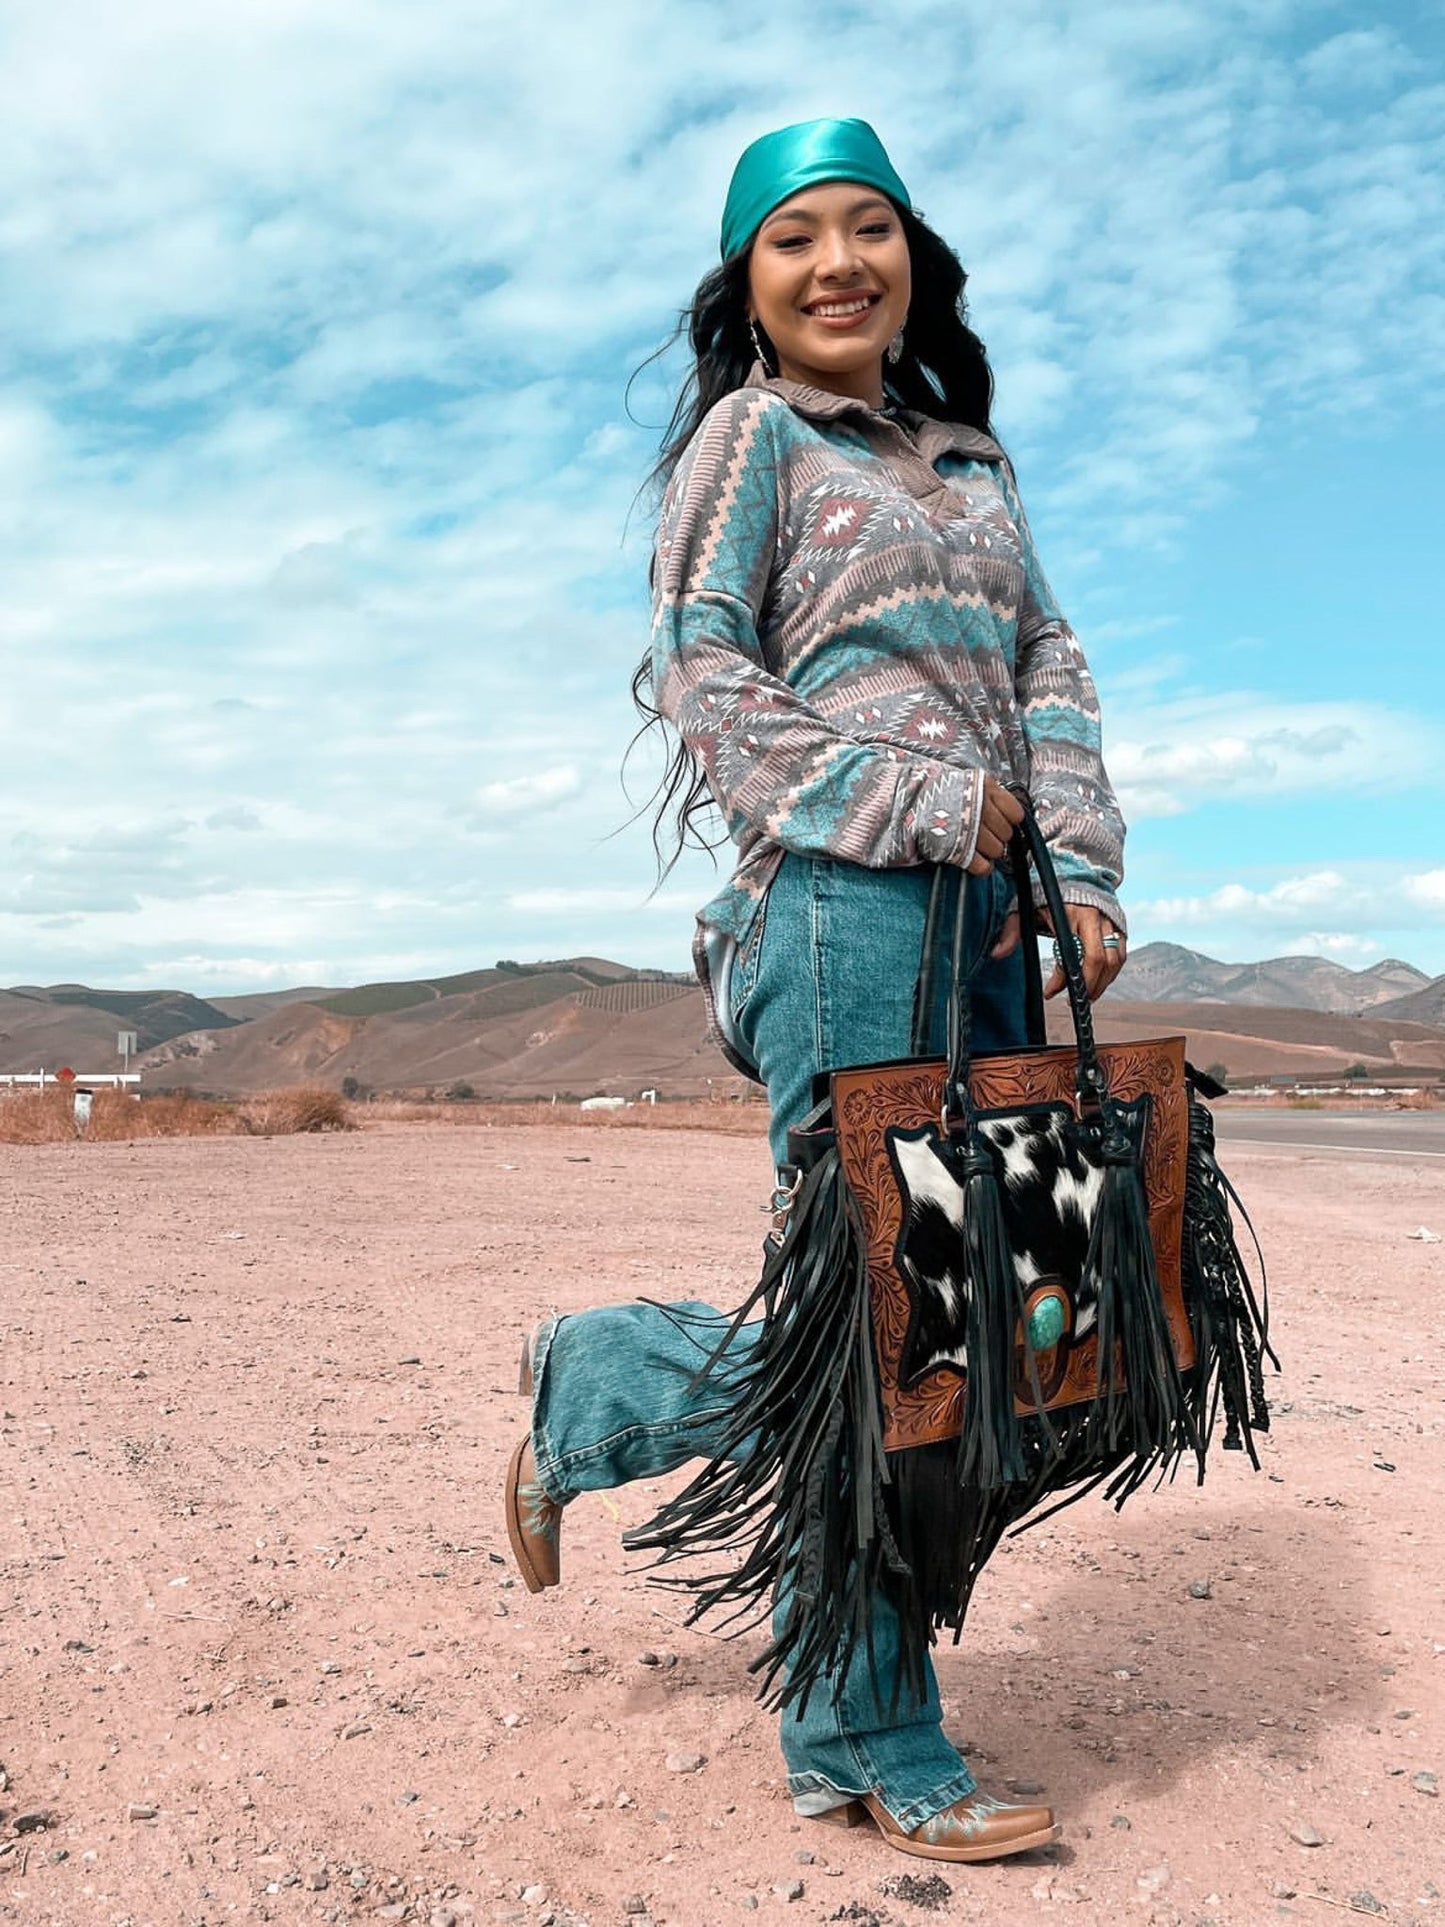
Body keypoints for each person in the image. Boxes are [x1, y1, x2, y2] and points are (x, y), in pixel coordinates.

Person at [504, 117, 1129, 1865]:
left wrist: (1077, 877)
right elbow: (699, 665)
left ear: (911, 260)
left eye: (869, 230)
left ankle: (607, 1379)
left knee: (1004, 1320)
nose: (838, 261)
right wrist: (924, 804)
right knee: (890, 1333)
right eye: (795, 239)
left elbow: (1051, 667)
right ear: (749, 287)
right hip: (841, 913)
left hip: (994, 931)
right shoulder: (750, 436)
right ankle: (864, 1731)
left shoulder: (971, 463)